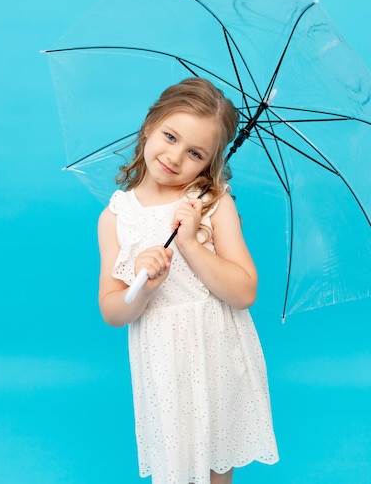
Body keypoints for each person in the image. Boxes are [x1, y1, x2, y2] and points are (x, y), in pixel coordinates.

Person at [98, 77, 279, 484]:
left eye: (195, 152)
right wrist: (144, 287)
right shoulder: (115, 217)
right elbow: (112, 310)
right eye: (170, 136)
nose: (175, 157)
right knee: (174, 461)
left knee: (217, 462)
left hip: (216, 349)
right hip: (163, 356)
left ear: (209, 162)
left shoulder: (212, 204)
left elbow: (244, 291)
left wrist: (193, 245)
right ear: (150, 124)